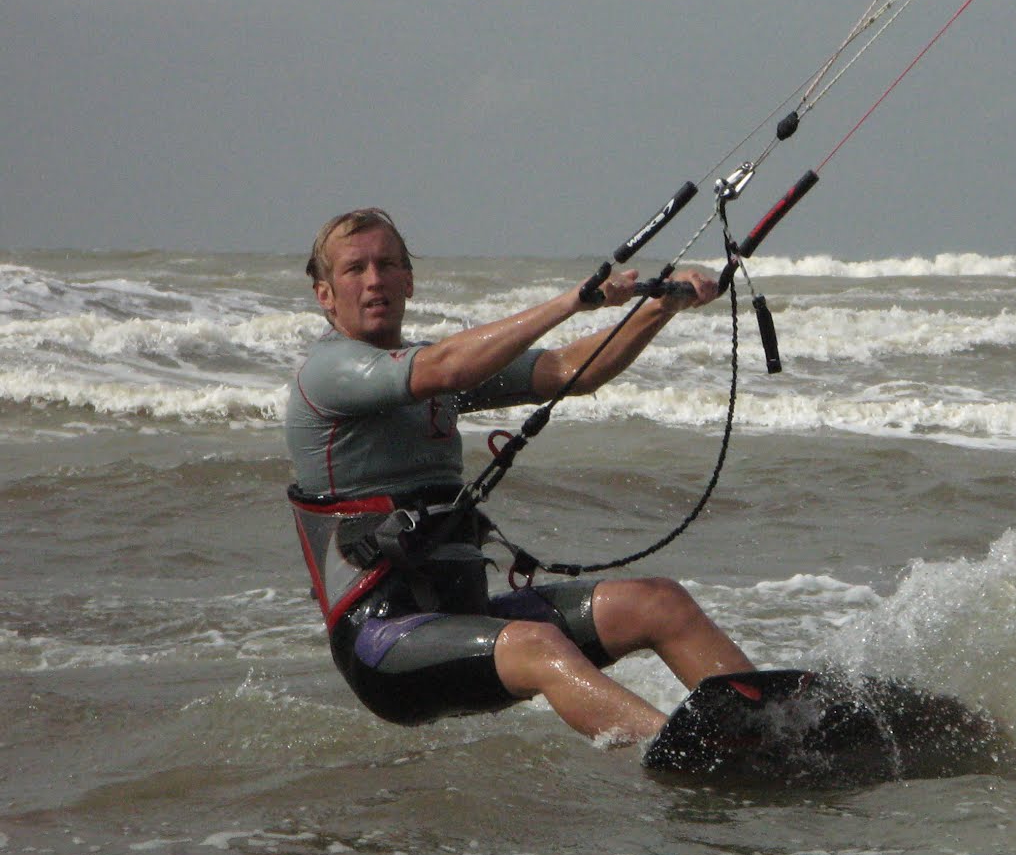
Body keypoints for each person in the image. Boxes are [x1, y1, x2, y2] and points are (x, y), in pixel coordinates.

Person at [285, 207, 754, 743]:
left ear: (408, 281)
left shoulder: (425, 369)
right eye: (355, 269)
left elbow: (568, 371)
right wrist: (569, 302)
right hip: (384, 641)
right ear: (325, 294)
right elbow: (447, 367)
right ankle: (689, 754)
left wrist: (660, 308)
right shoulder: (329, 373)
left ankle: (770, 728)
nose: (374, 280)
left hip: (467, 616)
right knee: (539, 645)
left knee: (659, 604)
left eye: (388, 264)